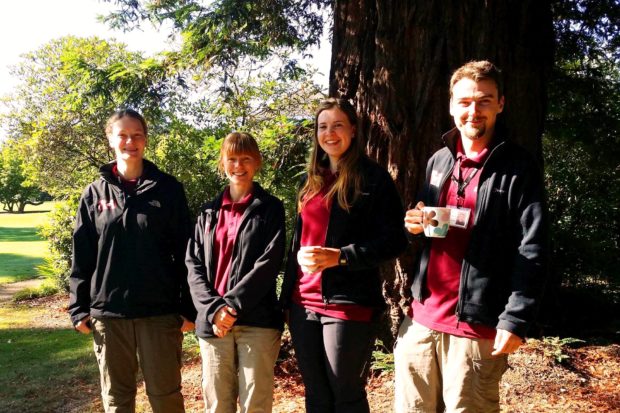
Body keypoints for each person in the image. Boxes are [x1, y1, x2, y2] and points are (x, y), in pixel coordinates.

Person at [394, 60, 548, 413]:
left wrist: (516, 318)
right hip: (422, 320)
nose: (473, 111)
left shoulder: (517, 167)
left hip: (477, 329)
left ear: (500, 104)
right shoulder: (440, 161)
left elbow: (534, 245)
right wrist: (415, 222)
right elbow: (429, 227)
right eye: (464, 102)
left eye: (483, 100)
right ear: (451, 106)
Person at [280, 98, 408, 413]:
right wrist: (285, 301)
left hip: (348, 304)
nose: (330, 133)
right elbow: (297, 244)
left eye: (338, 125)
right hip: (302, 305)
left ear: (352, 129)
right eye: (323, 126)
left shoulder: (373, 179)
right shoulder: (309, 180)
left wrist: (341, 256)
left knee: (345, 393)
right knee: (316, 394)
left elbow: (395, 240)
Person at [68, 109, 196, 413]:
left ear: (145, 140)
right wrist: (78, 307)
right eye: (122, 135)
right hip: (109, 315)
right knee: (117, 400)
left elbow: (187, 252)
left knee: (166, 397)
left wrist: (189, 307)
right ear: (111, 140)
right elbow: (82, 254)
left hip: (160, 314)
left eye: (137, 135)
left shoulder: (168, 189)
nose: (130, 141)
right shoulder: (94, 194)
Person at [186, 132, 285, 413]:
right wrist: (214, 309)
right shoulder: (207, 212)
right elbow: (193, 264)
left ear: (257, 163)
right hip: (213, 322)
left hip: (257, 322)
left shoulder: (270, 208)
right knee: (217, 405)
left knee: (255, 404)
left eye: (245, 159)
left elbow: (269, 262)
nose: (238, 165)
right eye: (231, 159)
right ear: (222, 162)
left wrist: (230, 307)